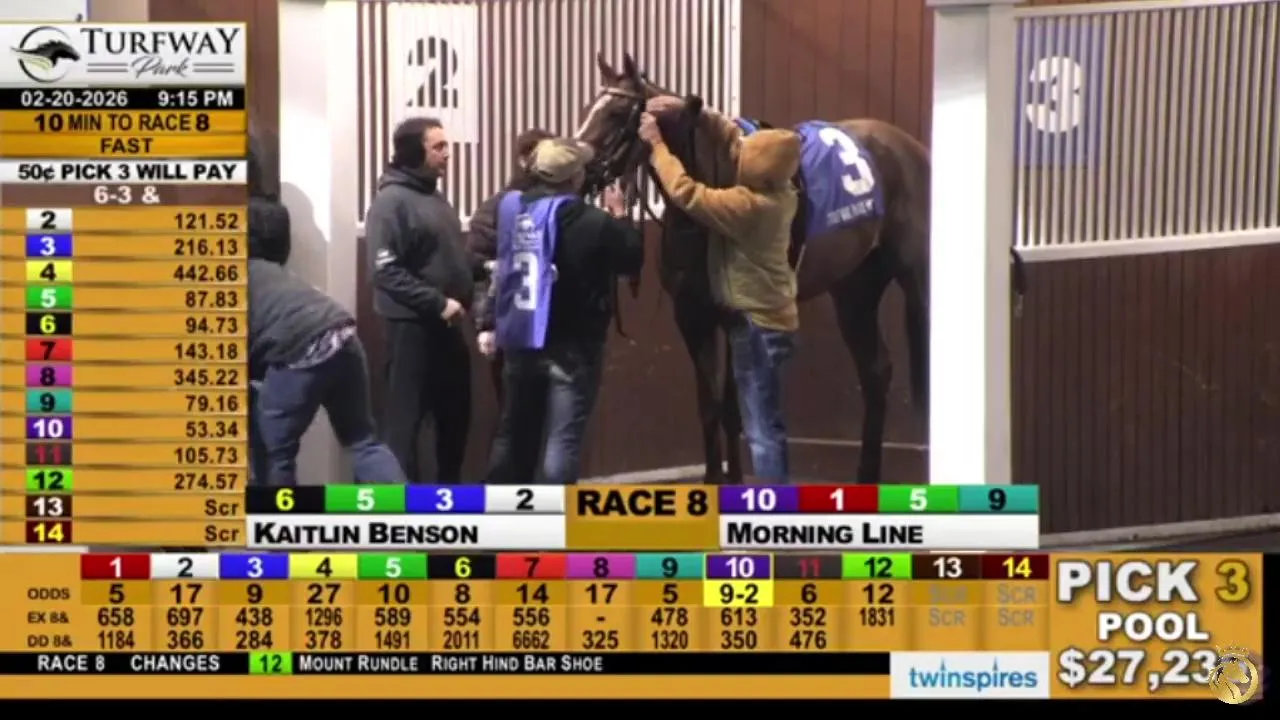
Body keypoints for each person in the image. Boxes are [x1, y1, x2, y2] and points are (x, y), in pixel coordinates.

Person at [638, 97, 801, 482]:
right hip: (777, 321)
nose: (738, 153)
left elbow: (686, 193)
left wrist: (657, 146)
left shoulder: (748, 206)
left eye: (747, 154)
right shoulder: (784, 193)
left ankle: (772, 506)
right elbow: (734, 139)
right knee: (770, 419)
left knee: (759, 429)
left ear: (757, 168)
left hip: (755, 327)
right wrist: (698, 111)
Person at [482, 138, 643, 484]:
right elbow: (631, 260)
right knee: (562, 440)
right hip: (574, 344)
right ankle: (554, 512)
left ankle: (501, 507)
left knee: (512, 434)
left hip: (520, 338)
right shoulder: (594, 221)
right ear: (575, 178)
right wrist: (620, 215)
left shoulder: (510, 208)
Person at [248, 196, 407, 486]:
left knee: (274, 454)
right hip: (341, 331)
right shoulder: (272, 272)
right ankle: (405, 509)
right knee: (362, 440)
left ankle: (277, 513)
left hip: (299, 346)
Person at [365, 116, 484, 483]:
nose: (448, 154)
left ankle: (445, 499)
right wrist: (437, 302)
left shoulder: (434, 197)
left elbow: (445, 257)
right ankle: (400, 506)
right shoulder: (390, 202)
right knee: (405, 423)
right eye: (438, 147)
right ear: (414, 152)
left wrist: (479, 271)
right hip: (411, 329)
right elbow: (385, 271)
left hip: (448, 327)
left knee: (456, 417)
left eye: (447, 146)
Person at [467, 128, 555, 402]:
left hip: (555, 331)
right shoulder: (498, 207)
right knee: (515, 411)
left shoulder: (561, 206)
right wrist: (486, 324)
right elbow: (479, 267)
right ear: (523, 160)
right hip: (513, 329)